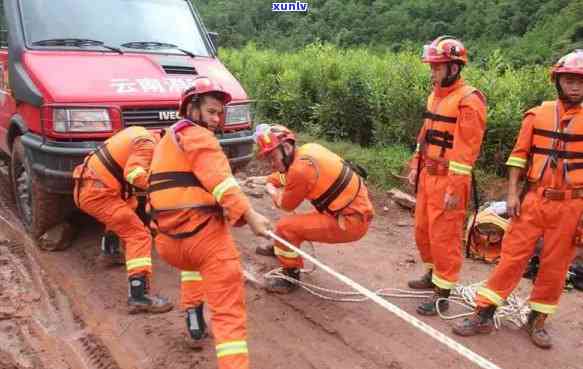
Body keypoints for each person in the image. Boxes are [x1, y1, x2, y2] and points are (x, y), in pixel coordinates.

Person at [452, 50, 583, 349]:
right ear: (558, 81)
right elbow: (518, 158)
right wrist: (512, 194)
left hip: (572, 205)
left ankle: (537, 321)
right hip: (534, 200)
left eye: (580, 81)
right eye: (569, 80)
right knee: (511, 258)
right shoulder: (537, 115)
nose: (574, 86)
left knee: (556, 266)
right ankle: (483, 314)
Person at [147, 76, 271, 368]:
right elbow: (222, 183)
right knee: (229, 313)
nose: (217, 119)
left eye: (219, 113)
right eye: (212, 112)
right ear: (193, 109)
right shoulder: (200, 137)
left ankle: (193, 319)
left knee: (194, 267)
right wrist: (251, 216)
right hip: (201, 239)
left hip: (168, 243)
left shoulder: (168, 139)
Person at [407, 35, 487, 316]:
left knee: (445, 237)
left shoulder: (469, 101)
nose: (433, 71)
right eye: (432, 66)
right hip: (429, 175)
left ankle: (442, 293)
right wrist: (416, 163)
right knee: (423, 231)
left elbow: (466, 151)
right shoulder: (435, 95)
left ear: (454, 67)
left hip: (450, 180)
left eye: (438, 66)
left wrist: (455, 187)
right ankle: (432, 275)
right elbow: (425, 135)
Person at [255, 124, 374, 294]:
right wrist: (272, 178)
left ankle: (290, 275)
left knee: (285, 227)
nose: (272, 164)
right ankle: (282, 246)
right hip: (353, 210)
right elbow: (292, 174)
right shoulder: (309, 150)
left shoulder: (300, 170)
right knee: (289, 228)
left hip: (350, 222)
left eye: (272, 157)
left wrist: (271, 189)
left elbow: (286, 205)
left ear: (287, 148)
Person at [73, 126, 173, 314]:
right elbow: (134, 174)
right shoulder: (147, 145)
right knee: (139, 235)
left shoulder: (140, 133)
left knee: (130, 204)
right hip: (98, 194)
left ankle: (109, 251)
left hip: (93, 186)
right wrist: (163, 187)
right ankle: (139, 296)